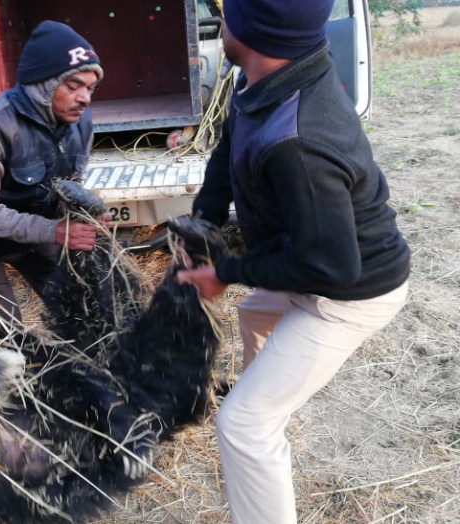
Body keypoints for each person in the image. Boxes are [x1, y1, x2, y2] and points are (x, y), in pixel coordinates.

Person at [175, 1, 411, 523]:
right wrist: (205, 220)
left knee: (243, 425)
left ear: (253, 28)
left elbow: (332, 268)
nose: (221, 18)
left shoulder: (299, 139)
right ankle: (273, 395)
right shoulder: (267, 76)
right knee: (255, 314)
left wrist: (226, 273)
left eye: (229, 11)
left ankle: (264, 421)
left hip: (351, 295)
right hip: (316, 264)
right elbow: (230, 139)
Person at [0, 20, 108, 320]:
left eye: (90, 88)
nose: (85, 98)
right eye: (74, 86)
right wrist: (51, 230)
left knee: (78, 310)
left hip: (30, 237)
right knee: (3, 332)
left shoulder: (82, 122)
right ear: (42, 84)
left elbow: (69, 186)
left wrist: (83, 217)